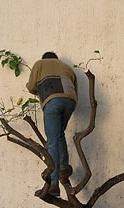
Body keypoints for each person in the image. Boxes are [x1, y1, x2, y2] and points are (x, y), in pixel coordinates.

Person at [26, 52, 78, 196]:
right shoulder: (67, 67)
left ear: (44, 59)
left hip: (52, 101)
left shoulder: (39, 64)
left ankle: (53, 184)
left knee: (53, 141)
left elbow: (31, 87)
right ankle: (64, 169)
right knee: (59, 134)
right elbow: (75, 90)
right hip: (70, 101)